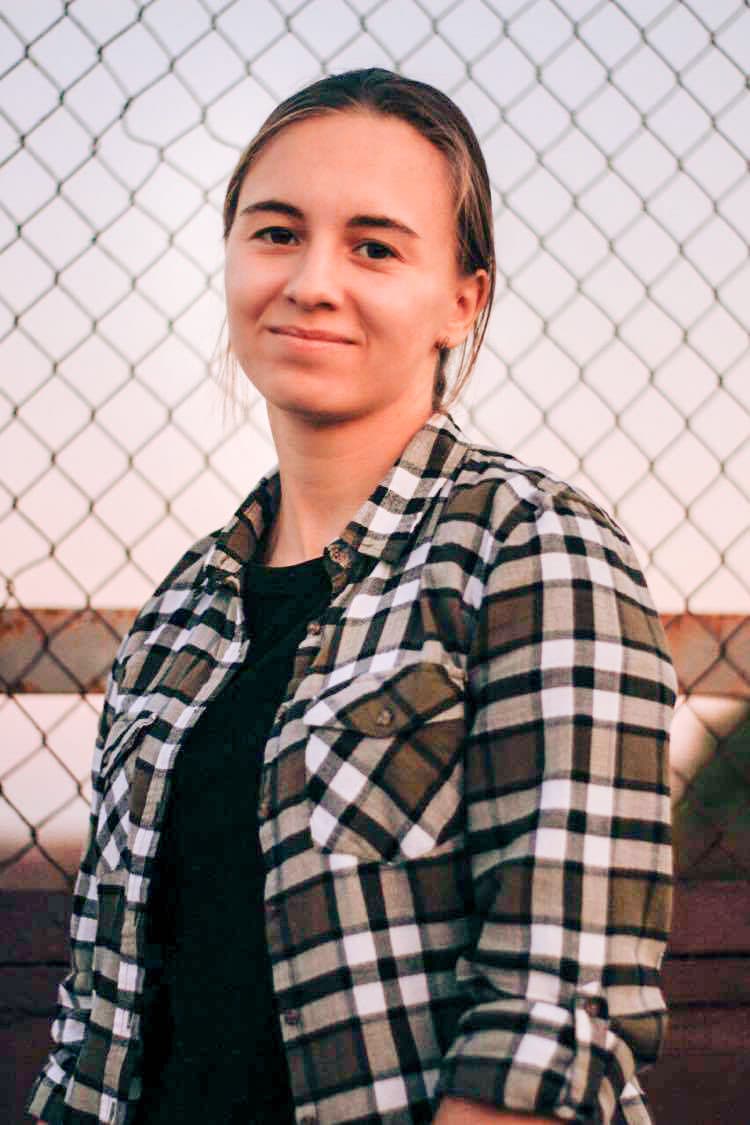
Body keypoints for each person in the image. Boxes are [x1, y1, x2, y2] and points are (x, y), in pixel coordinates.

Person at [28, 68, 675, 1125]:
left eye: (374, 247)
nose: (312, 281)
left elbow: (555, 1021)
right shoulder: (179, 613)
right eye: (277, 233)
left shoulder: (532, 550)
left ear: (462, 300)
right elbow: (100, 1011)